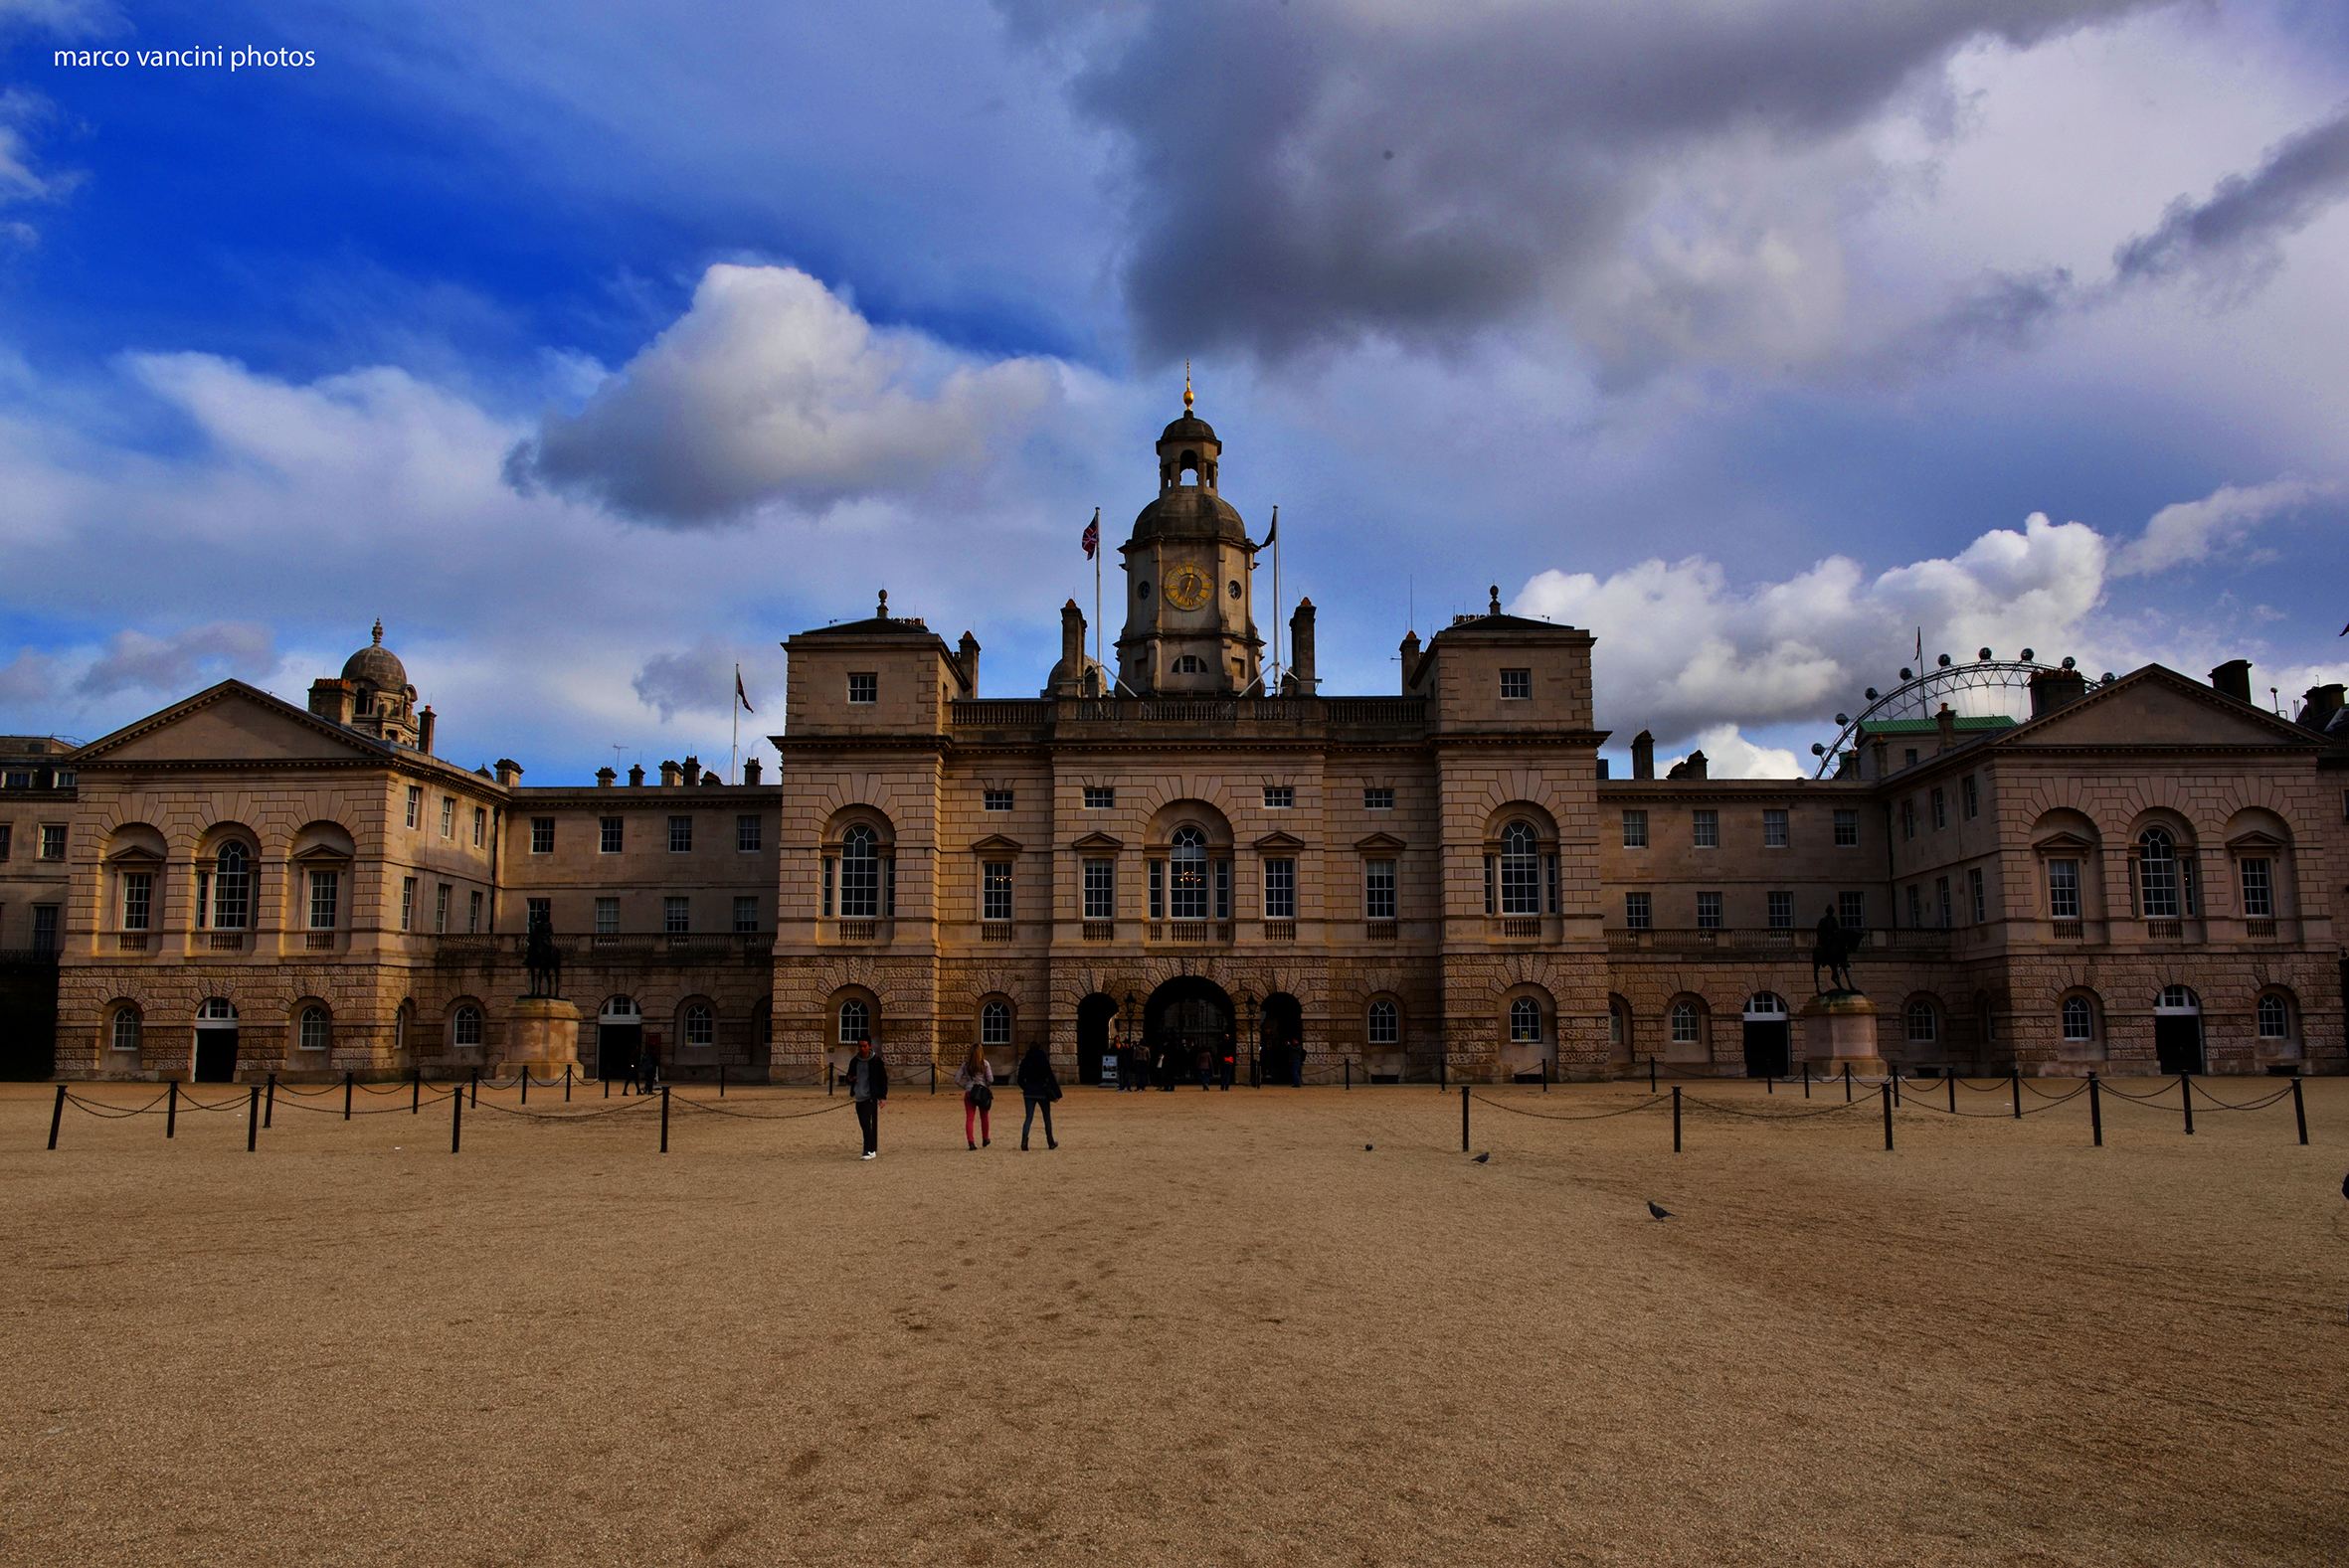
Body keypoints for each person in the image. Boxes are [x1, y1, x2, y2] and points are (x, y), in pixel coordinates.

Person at [847, 1037, 887, 1159]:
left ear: (869, 1046)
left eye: (864, 1046)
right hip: (859, 1095)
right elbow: (849, 1076)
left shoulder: (876, 1061)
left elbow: (883, 1079)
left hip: (870, 1096)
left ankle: (868, 1149)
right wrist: (850, 1079)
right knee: (863, 1124)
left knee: (866, 1121)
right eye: (860, 1046)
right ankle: (872, 1148)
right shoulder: (854, 1061)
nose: (862, 1048)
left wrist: (883, 1097)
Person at [1015, 1041, 1059, 1150]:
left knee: (1029, 1117)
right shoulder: (1043, 1060)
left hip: (1029, 1092)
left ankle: (1024, 1142)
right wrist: (1057, 1093)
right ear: (1040, 1048)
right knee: (1047, 1118)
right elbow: (1050, 1077)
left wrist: (1026, 1088)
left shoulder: (1025, 1061)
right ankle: (1050, 1142)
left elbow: (1020, 1079)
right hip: (1043, 1092)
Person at [955, 1042, 994, 1149]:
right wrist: (985, 1087)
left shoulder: (965, 1064)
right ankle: (985, 1139)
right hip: (981, 1091)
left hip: (969, 1092)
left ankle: (971, 1142)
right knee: (984, 1116)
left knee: (970, 1118)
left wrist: (966, 1087)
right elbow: (990, 1079)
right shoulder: (985, 1063)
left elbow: (957, 1079)